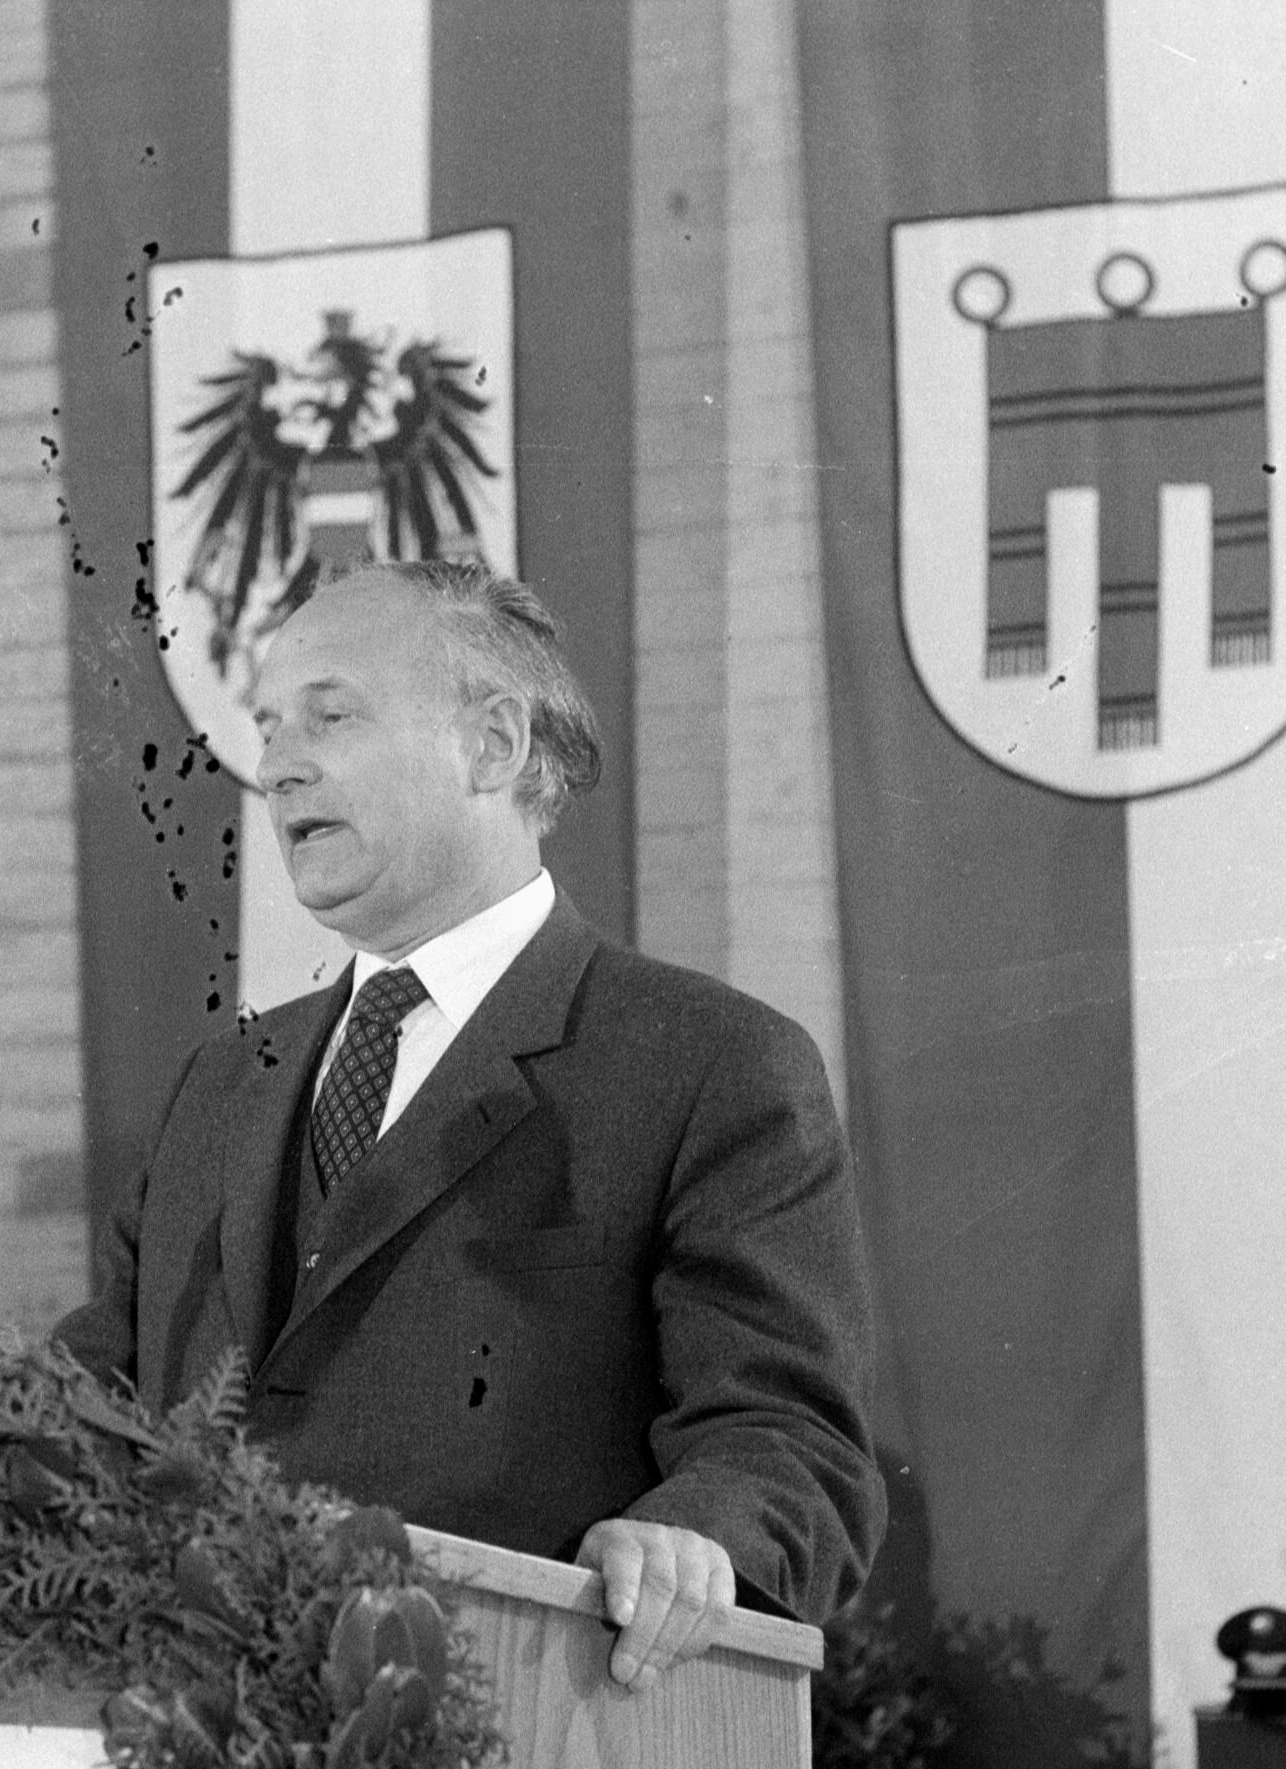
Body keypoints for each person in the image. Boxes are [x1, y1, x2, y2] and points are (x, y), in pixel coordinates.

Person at [56, 561, 884, 1688]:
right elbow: (88, 1400)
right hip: (196, 1730)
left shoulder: (707, 1063)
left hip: (530, 1726)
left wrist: (693, 1540)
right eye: (269, 726)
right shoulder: (220, 1085)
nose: (277, 763)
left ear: (493, 744)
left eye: (329, 716)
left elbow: (789, 1440)